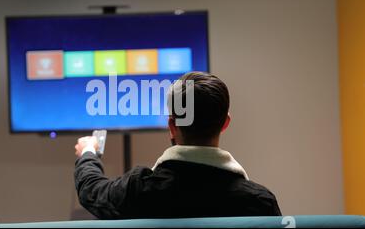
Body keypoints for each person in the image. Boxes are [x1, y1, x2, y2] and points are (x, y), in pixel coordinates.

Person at [74, 72, 281, 219]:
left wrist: (88, 152)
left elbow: (92, 191)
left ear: (172, 126)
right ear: (225, 123)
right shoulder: (259, 202)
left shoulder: (139, 191)